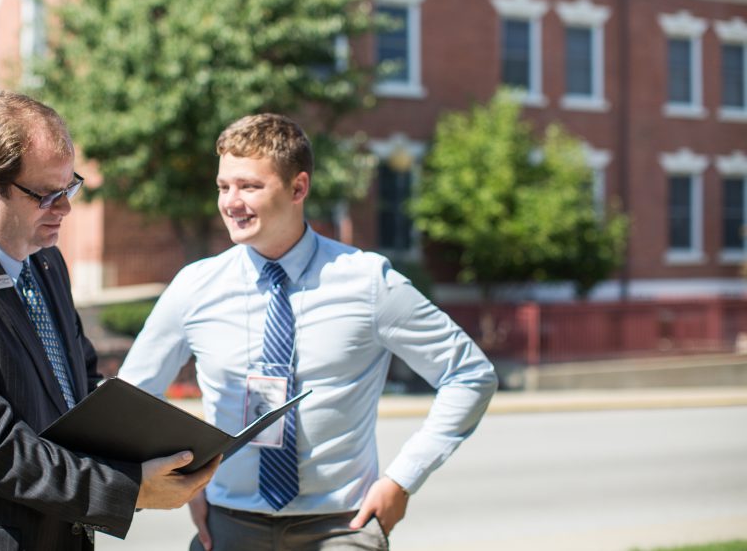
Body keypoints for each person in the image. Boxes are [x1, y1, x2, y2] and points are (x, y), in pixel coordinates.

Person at [119, 113, 498, 551]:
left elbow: (470, 375)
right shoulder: (194, 286)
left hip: (343, 527)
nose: (231, 202)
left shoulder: (368, 281)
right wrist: (186, 480)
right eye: (224, 186)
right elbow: (134, 397)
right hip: (227, 528)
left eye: (250, 186)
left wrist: (402, 480)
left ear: (298, 188)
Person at [0, 92, 217, 551]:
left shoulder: (46, 263)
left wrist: (164, 453)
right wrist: (128, 488)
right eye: (46, 195)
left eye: (69, 187)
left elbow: (80, 390)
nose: (64, 208)